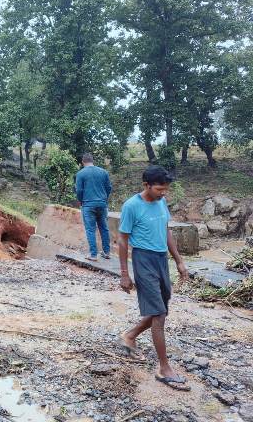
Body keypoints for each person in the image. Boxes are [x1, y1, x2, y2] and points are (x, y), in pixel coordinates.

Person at [118, 165, 190, 391]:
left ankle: (129, 335)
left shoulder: (161, 202)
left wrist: (178, 260)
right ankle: (164, 368)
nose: (163, 193)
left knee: (161, 308)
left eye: (166, 189)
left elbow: (166, 230)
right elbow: (122, 240)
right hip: (143, 260)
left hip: (161, 260)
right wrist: (124, 274)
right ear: (146, 185)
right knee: (158, 314)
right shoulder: (131, 206)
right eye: (159, 189)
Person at [75, 153, 112, 261]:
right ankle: (106, 252)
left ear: (83, 162)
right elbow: (109, 187)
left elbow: (79, 190)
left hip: (88, 205)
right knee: (104, 228)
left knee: (90, 230)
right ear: (92, 160)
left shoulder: (81, 174)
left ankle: (93, 255)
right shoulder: (103, 172)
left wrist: (81, 201)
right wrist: (104, 198)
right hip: (102, 204)